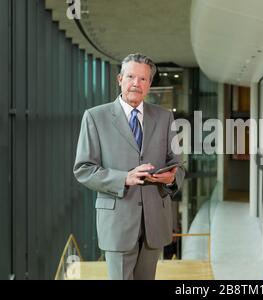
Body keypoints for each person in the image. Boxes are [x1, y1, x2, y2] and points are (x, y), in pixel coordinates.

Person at [73, 53, 185, 280]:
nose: (136, 83)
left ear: (150, 84)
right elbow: (83, 169)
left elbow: (178, 166)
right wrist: (123, 178)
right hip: (118, 222)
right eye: (131, 77)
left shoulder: (164, 117)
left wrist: (170, 179)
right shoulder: (96, 117)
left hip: (154, 222)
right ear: (120, 79)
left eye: (143, 79)